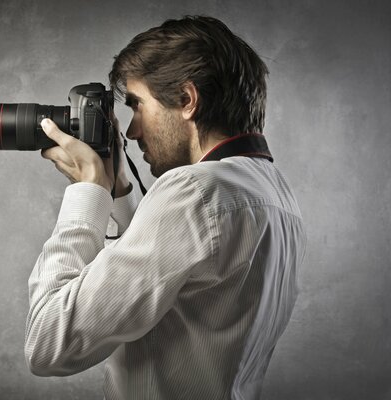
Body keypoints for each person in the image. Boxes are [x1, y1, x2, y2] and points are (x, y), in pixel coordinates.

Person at [24, 15, 306, 400]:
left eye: (138, 105)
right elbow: (165, 276)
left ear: (187, 101)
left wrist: (87, 191)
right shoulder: (273, 190)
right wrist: (119, 189)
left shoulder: (194, 191)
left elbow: (48, 343)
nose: (132, 130)